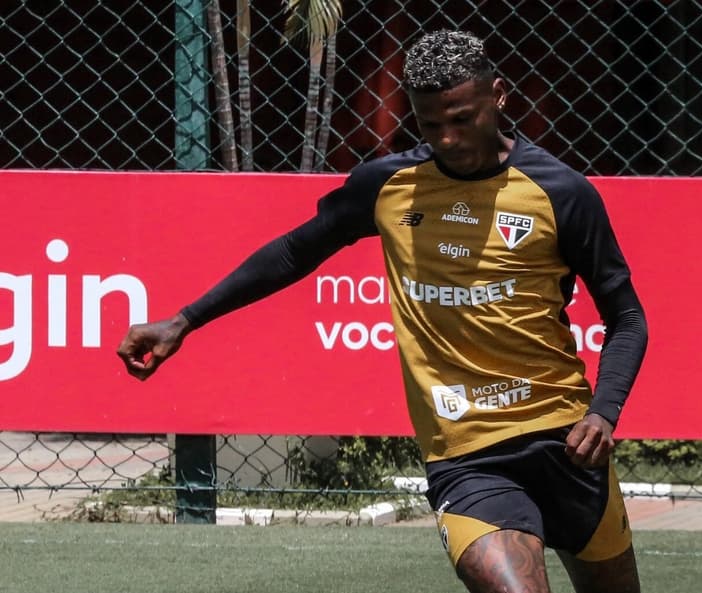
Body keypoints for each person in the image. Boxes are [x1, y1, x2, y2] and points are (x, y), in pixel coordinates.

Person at [118, 30, 648, 593]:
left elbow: (627, 317)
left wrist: (603, 413)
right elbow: (293, 252)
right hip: (466, 455)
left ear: (498, 96)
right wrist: (185, 320)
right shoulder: (389, 186)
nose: (447, 138)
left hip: (566, 441)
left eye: (462, 119)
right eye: (429, 124)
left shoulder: (561, 193)